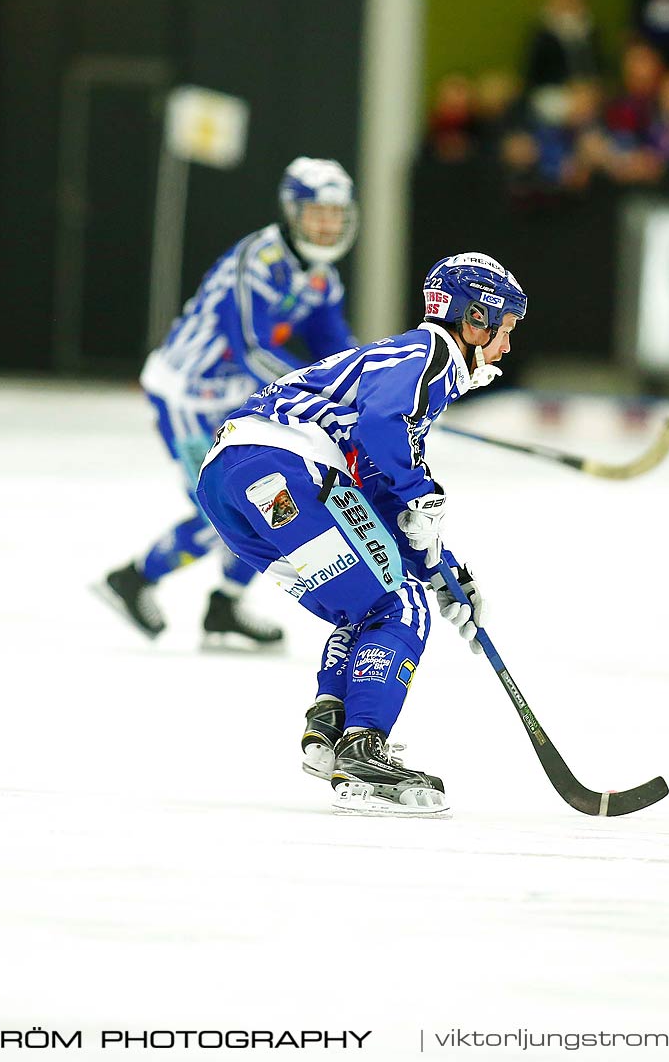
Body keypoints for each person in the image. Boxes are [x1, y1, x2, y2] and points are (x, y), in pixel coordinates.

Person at [192, 255, 527, 815]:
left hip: (231, 481)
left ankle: (332, 724)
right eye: (504, 330)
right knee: (399, 609)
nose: (506, 348)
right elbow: (381, 431)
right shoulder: (430, 355)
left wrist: (445, 572)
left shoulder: (409, 364)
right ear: (474, 320)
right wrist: (423, 491)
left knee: (370, 606)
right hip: (285, 464)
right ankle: (364, 748)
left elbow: (374, 494)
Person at [98, 158, 357, 649]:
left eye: (335, 214)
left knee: (266, 495)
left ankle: (225, 605)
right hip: (188, 395)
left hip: (237, 396)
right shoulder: (256, 262)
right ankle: (134, 578)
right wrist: (327, 394)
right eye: (315, 212)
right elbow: (253, 348)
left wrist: (370, 386)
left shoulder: (323, 276)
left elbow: (336, 347)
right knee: (217, 505)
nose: (326, 224)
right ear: (291, 211)